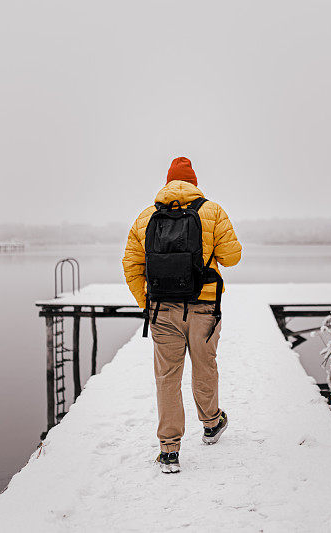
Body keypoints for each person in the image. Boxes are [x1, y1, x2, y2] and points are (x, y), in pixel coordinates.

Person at [122, 156, 242, 473]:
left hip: (162, 309)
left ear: (167, 182)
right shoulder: (212, 211)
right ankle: (212, 424)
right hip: (204, 308)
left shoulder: (146, 217)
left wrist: (146, 304)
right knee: (205, 367)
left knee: (166, 379)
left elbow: (131, 266)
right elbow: (233, 257)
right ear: (194, 183)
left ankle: (169, 451)